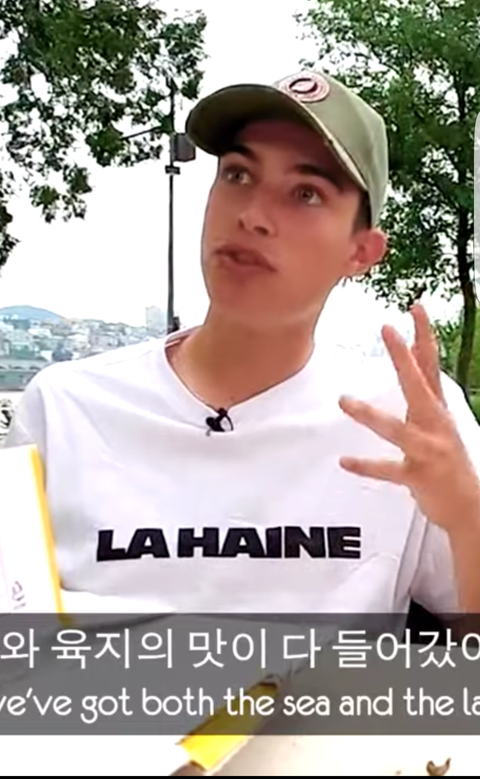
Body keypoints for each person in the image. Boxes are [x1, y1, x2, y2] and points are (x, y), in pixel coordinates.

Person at [4, 69, 480, 618]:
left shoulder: (410, 421)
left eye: (305, 193)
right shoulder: (62, 408)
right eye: (237, 174)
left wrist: (465, 516)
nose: (252, 216)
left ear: (361, 252)